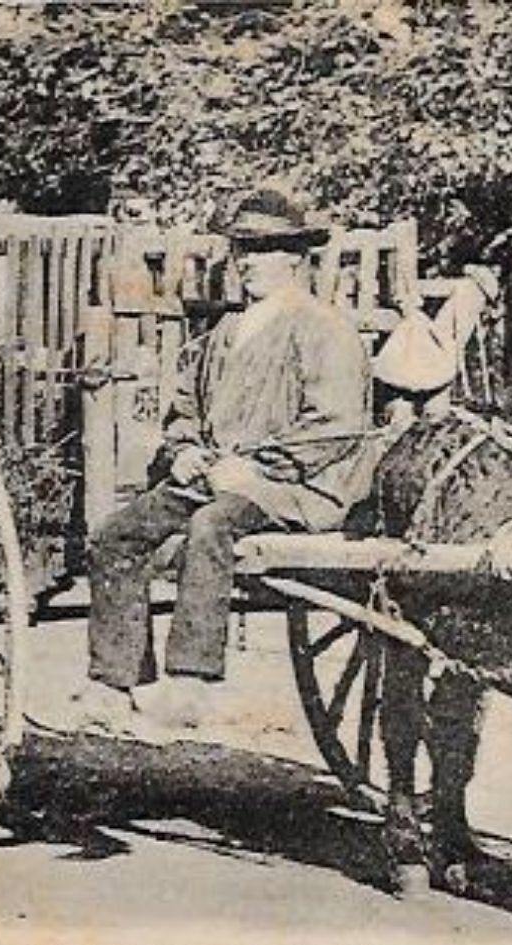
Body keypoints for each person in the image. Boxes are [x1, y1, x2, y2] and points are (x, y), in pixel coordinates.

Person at [72, 189, 375, 735]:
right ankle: (116, 684)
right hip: (214, 476)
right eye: (242, 250)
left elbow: (335, 427)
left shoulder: (325, 329)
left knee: (209, 526)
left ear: (295, 258)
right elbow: (183, 409)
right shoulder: (222, 335)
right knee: (116, 534)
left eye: (263, 250)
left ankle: (190, 683)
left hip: (299, 487)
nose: (248, 262)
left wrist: (257, 471)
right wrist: (185, 451)